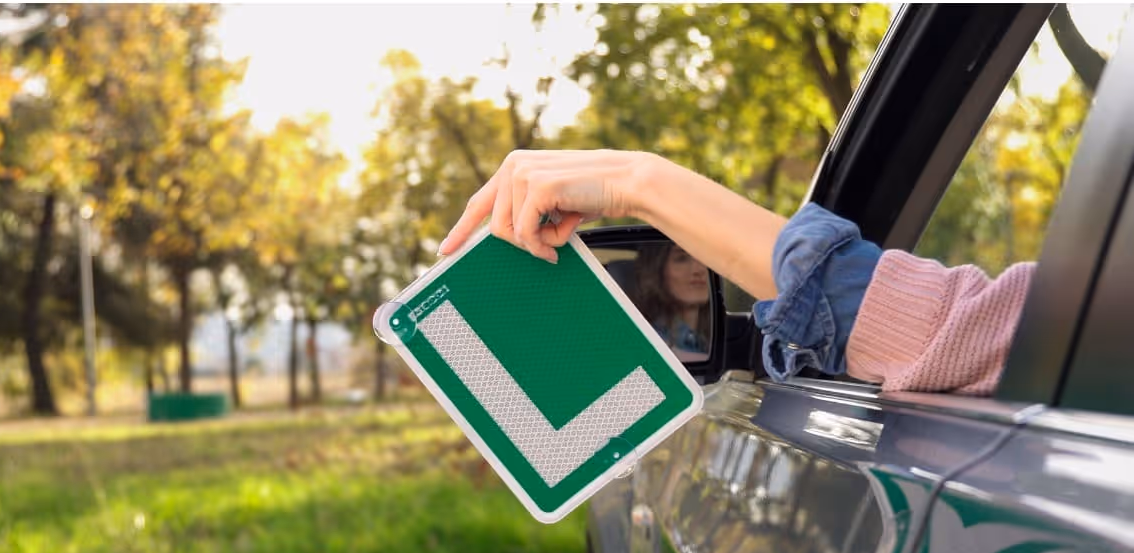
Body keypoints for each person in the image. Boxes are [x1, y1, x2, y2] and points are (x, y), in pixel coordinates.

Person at [438, 150, 1034, 395]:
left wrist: (638, 183)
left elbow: (948, 334)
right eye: (680, 257)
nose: (698, 271)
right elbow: (963, 329)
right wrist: (637, 183)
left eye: (700, 258)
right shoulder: (642, 335)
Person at [632, 242, 712, 360]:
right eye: (681, 259)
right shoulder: (645, 342)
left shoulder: (713, 338)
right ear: (656, 270)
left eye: (705, 258)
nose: (699, 270)